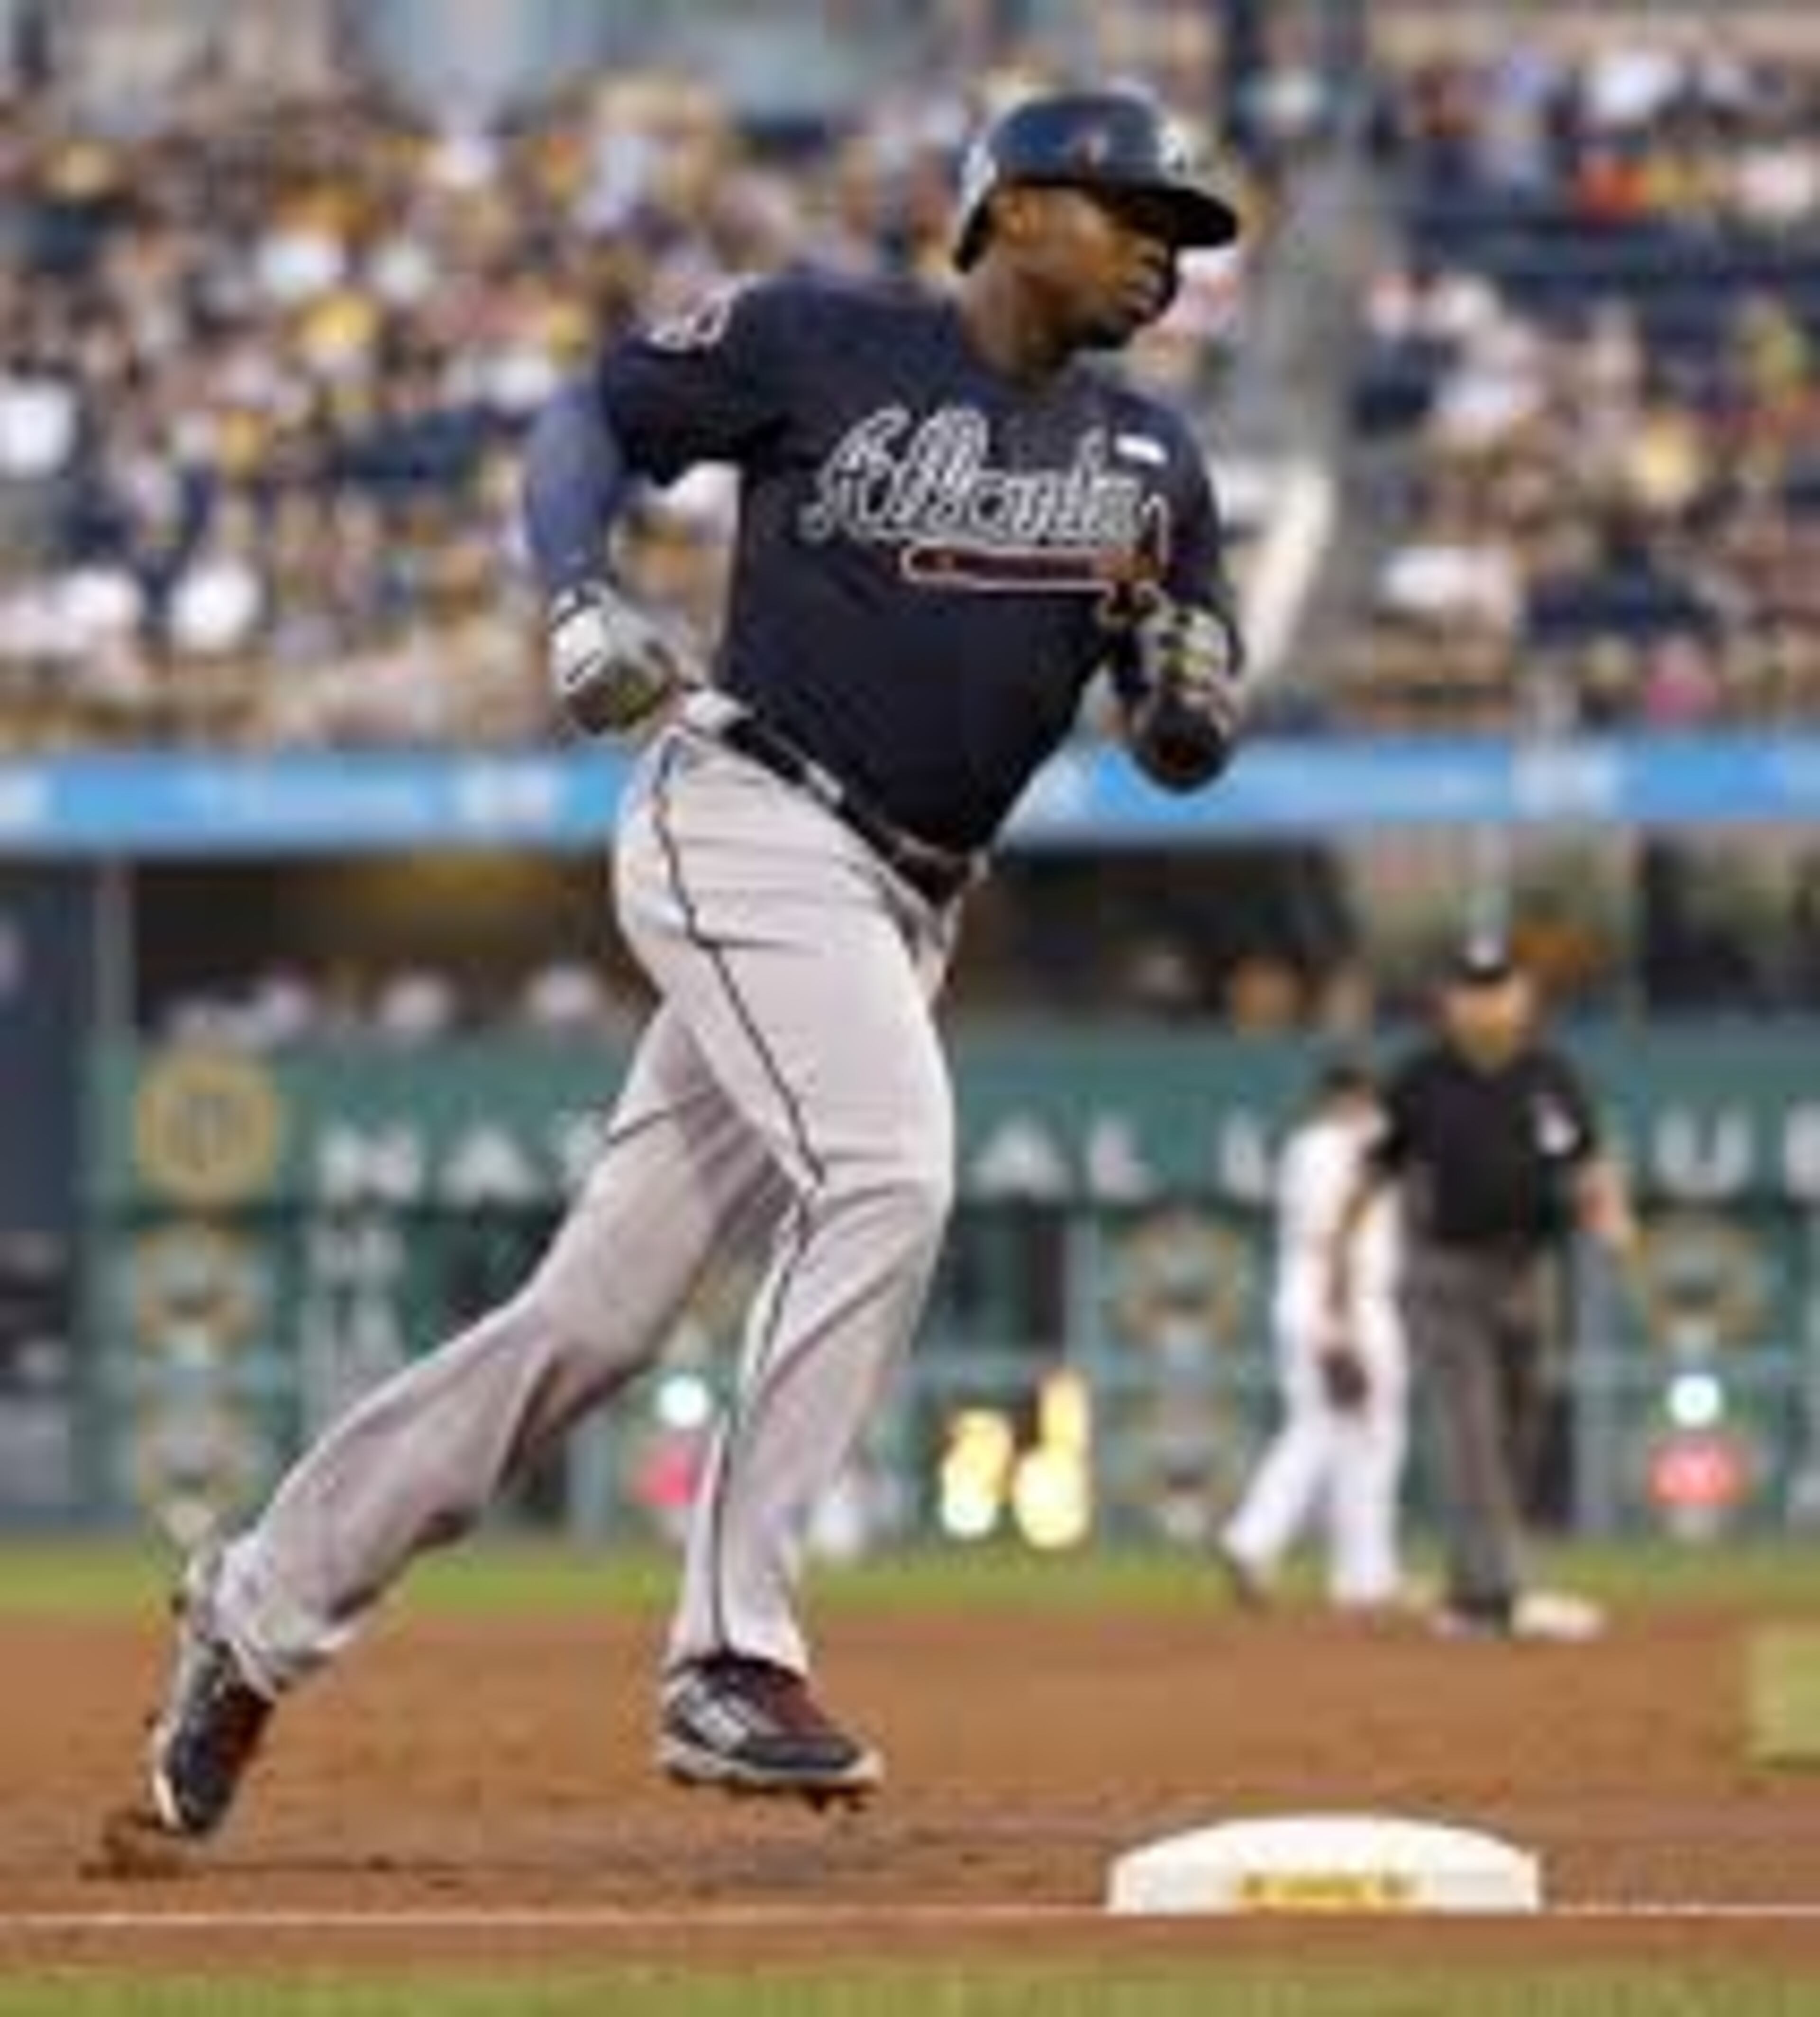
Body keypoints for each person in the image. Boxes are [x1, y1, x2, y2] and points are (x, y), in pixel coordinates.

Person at [126, 86, 1248, 1843]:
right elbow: (593, 415)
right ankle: (731, 1645)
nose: (1163, 256)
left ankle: (254, 1610)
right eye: (1134, 214)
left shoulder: (1154, 462)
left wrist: (1189, 700)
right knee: (888, 1167)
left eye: (1180, 234)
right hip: (747, 819)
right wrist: (576, 588)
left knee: (582, 1325)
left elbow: (1183, 725)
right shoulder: (821, 341)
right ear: (1013, 206)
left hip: (901, 906)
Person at [1323, 936, 1638, 1641]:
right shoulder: (1421, 1078)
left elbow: (1588, 1162)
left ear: (1524, 997)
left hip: (1528, 1271)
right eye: (1472, 987)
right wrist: (1340, 1264)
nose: (1486, 1001)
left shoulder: (1549, 1075)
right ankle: (1502, 1592)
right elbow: (1374, 1171)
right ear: (1450, 1000)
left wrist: (1611, 1214)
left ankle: (1471, 1592)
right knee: (1471, 1433)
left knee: (1517, 1427)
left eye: (1499, 986)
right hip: (1443, 1275)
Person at [1217, 1060, 1408, 1613]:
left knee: (1330, 1431)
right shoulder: (1350, 1144)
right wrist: (1341, 1321)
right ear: (1355, 1098)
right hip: (1346, 1301)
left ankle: (1351, 1570)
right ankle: (1347, 1570)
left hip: (1307, 1298)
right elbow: (1337, 1235)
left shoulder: (1305, 1147)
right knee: (1364, 1436)